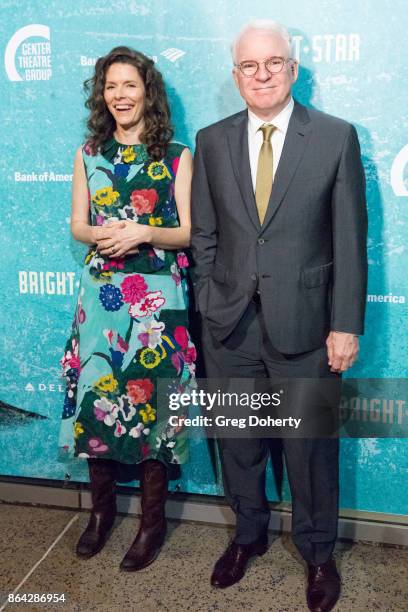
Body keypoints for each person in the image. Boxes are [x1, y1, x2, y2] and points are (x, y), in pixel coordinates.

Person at [191, 20, 367, 612]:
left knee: (310, 451)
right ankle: (247, 537)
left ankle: (318, 555)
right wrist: (209, 304)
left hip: (310, 331)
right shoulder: (211, 140)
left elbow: (349, 239)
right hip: (230, 328)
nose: (261, 74)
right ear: (235, 74)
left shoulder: (335, 137)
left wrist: (346, 324)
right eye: (248, 66)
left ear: (292, 69)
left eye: (273, 64)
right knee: (238, 443)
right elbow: (206, 236)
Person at [59, 46, 196, 572]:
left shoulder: (178, 154)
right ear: (103, 94)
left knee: (155, 408)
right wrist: (104, 233)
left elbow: (188, 231)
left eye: (130, 85)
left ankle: (151, 524)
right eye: (111, 86)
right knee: (99, 395)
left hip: (159, 299)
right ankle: (100, 515)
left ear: (148, 92)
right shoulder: (88, 152)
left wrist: (142, 231)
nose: (120, 95)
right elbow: (78, 224)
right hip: (102, 296)